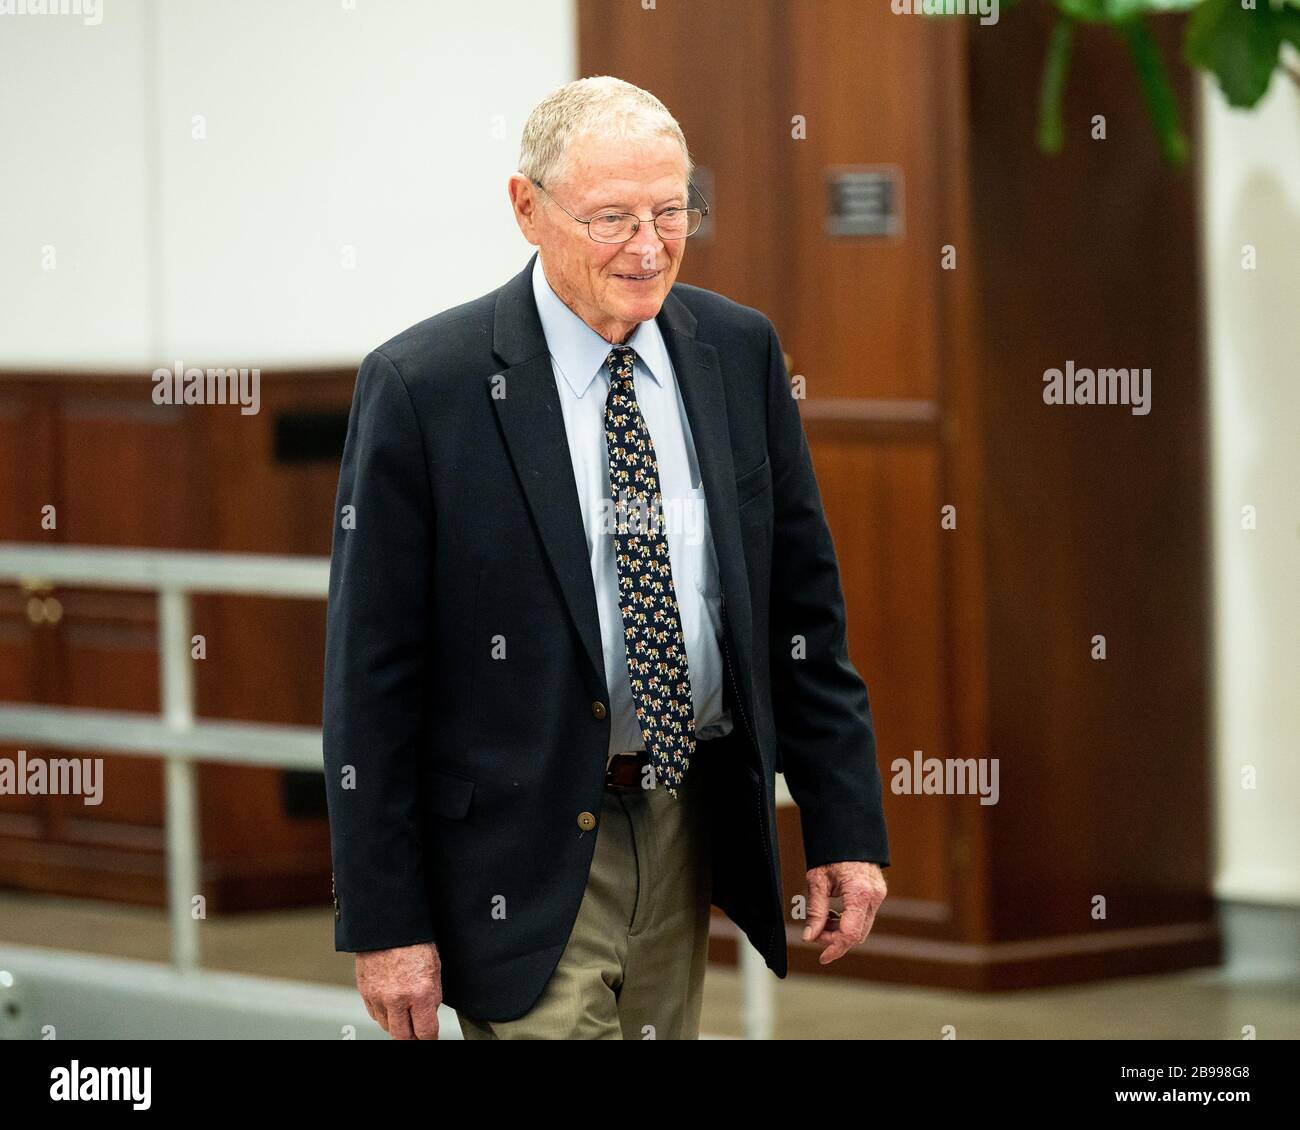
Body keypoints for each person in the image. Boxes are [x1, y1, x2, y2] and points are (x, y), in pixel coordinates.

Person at [322, 75, 889, 1041]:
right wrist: (386, 923)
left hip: (685, 821)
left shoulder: (737, 352)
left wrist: (843, 825)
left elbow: (802, 614)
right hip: (520, 843)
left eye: (673, 212)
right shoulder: (426, 387)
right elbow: (370, 679)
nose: (648, 246)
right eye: (612, 218)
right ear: (527, 210)